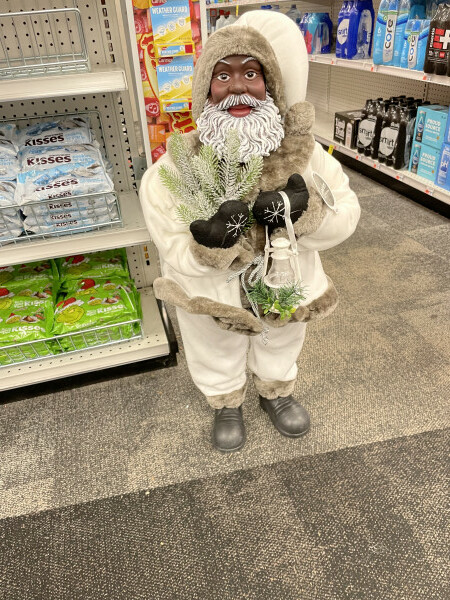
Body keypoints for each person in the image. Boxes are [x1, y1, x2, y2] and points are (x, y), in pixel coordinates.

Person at [139, 10, 360, 453]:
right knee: (211, 341)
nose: (238, 87)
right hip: (211, 293)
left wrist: (303, 217)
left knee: (284, 334)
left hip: (286, 284)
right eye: (223, 76)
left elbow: (347, 210)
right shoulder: (176, 166)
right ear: (205, 89)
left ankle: (276, 390)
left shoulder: (305, 156)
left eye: (251, 73)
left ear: (270, 86)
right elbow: (167, 236)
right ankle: (225, 400)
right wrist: (207, 246)